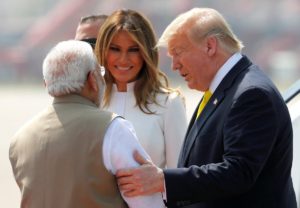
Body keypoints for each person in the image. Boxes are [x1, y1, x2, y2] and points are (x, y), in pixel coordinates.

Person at [116, 7, 297, 208]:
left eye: (178, 53)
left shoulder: (251, 94)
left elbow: (239, 173)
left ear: (210, 46)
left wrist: (162, 180)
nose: (174, 65)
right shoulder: (224, 90)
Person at [9, 40, 164, 208]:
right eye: (101, 73)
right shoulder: (112, 128)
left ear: (47, 84)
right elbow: (147, 202)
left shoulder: (19, 140)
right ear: (92, 79)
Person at [94, 9, 187, 168]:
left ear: (146, 53)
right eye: (115, 49)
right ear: (103, 51)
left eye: (134, 49)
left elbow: (180, 177)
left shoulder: (169, 104)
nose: (123, 59)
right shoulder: (89, 101)